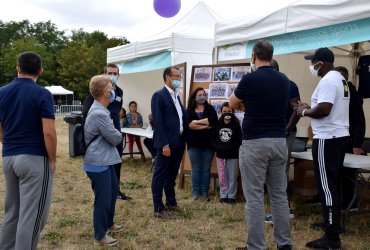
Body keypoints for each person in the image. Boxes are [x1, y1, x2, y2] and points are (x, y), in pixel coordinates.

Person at [230, 40, 292, 250]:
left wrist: (246, 102)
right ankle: (284, 244)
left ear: (255, 55)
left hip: (255, 141)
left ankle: (256, 246)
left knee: (255, 197)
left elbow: (231, 103)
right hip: (279, 141)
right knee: (279, 195)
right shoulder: (284, 80)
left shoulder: (249, 79)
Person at [0, 52, 57, 249]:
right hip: (33, 158)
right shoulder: (43, 94)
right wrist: (53, 160)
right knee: (31, 216)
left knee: (12, 211)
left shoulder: (2, 92)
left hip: (9, 157)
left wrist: (8, 142)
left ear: (18, 68)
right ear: (40, 70)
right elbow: (48, 132)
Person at [296, 47, 349, 249]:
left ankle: (332, 239)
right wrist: (311, 109)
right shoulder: (341, 79)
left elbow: (324, 110)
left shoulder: (328, 80)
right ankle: (332, 231)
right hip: (339, 135)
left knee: (327, 188)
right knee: (333, 186)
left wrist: (304, 111)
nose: (311, 66)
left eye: (313, 62)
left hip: (327, 138)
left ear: (322, 63)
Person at [83, 75, 123, 246]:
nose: (113, 90)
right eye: (111, 87)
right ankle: (100, 235)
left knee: (112, 192)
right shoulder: (99, 113)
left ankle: (109, 223)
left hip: (104, 160)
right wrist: (117, 133)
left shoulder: (101, 110)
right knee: (103, 199)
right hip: (98, 162)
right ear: (105, 92)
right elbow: (116, 138)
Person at [82, 63, 131, 201]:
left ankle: (116, 189)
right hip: (100, 130)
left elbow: (118, 111)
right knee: (104, 162)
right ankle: (104, 189)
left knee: (117, 160)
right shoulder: (97, 91)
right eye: (110, 73)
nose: (112, 76)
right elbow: (86, 113)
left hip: (114, 127)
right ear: (104, 74)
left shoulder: (119, 91)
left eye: (115, 73)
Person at [265, 59, 300, 223]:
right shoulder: (266, 86)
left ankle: (284, 210)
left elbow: (297, 109)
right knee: (272, 172)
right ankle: (279, 208)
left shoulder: (289, 84)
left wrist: (287, 128)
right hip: (269, 134)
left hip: (284, 134)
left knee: (280, 172)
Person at [151, 66, 188, 219]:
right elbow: (158, 122)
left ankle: (171, 202)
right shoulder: (159, 95)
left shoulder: (177, 95)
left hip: (178, 141)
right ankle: (158, 208)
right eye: (177, 76)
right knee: (160, 175)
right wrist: (164, 144)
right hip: (167, 144)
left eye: (180, 76)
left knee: (172, 175)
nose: (179, 79)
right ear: (167, 77)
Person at [186, 87, 217, 200]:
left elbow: (213, 121)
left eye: (204, 94)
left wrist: (197, 122)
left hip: (208, 144)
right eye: (199, 95)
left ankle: (204, 192)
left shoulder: (210, 108)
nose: (202, 96)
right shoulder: (189, 110)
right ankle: (196, 193)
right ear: (194, 96)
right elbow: (189, 125)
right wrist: (205, 126)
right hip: (193, 144)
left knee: (206, 168)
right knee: (196, 168)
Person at [212, 102, 242, 204]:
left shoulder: (236, 124)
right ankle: (223, 195)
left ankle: (232, 196)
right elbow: (213, 139)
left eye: (229, 111)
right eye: (224, 111)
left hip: (233, 155)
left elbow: (239, 140)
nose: (227, 113)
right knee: (222, 176)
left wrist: (232, 147)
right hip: (220, 155)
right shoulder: (217, 124)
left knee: (232, 176)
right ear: (221, 112)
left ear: (232, 112)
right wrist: (217, 148)